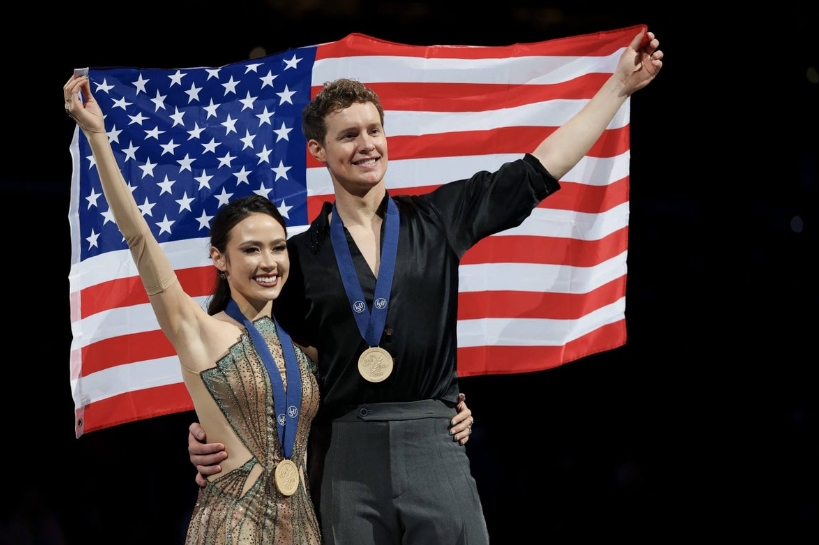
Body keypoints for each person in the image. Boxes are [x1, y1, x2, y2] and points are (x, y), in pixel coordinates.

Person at [190, 28, 664, 544]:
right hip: (345, 452)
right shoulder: (297, 259)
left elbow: (538, 169)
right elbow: (251, 352)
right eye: (349, 135)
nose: (366, 144)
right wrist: (213, 431)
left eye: (375, 130)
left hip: (434, 438)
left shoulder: (439, 219)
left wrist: (617, 88)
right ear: (318, 151)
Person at [64, 75, 323, 544]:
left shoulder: (305, 346)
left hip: (303, 530)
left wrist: (447, 405)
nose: (269, 263)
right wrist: (97, 137)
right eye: (251, 250)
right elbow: (138, 237)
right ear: (219, 260)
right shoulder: (198, 331)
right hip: (230, 531)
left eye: (278, 248)